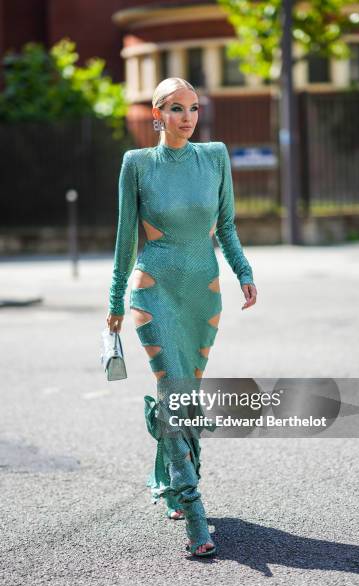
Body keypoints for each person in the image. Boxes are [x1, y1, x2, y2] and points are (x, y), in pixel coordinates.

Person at [106, 77, 257, 557]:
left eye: (192, 107)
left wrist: (244, 271)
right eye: (175, 108)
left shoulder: (214, 156)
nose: (187, 117)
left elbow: (227, 225)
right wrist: (113, 303)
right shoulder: (137, 164)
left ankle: (169, 481)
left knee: (184, 394)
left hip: (202, 295)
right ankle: (196, 517)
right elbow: (126, 240)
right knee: (176, 391)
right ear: (156, 114)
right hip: (153, 292)